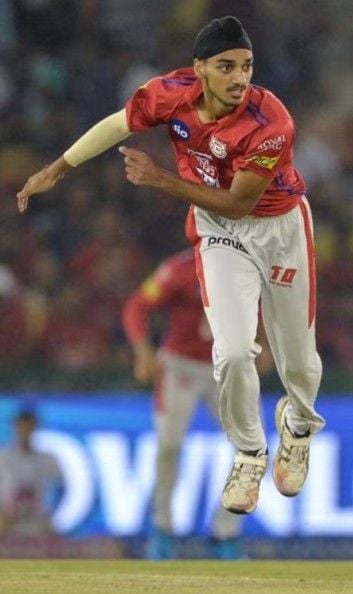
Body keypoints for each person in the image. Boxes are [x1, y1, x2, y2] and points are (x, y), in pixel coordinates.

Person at [16, 16, 325, 516]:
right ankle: (249, 453)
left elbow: (239, 202)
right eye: (226, 67)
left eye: (246, 66)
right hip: (218, 232)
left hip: (278, 227)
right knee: (231, 352)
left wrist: (161, 180)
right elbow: (118, 124)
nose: (239, 77)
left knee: (298, 363)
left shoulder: (272, 123)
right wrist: (57, 169)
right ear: (199, 68)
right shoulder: (169, 93)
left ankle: (299, 424)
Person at [122, 248, 273, 559]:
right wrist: (142, 351)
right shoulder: (179, 269)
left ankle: (225, 533)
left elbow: (272, 308)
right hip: (181, 367)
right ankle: (162, 529)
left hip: (229, 368)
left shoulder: (253, 266)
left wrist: (268, 343)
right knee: (169, 446)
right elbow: (137, 306)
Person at [0, 408, 64, 536]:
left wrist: (50, 513)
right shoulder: (3, 456)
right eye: (22, 425)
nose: (25, 430)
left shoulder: (47, 458)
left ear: (35, 427)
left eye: (29, 425)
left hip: (37, 521)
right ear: (15, 427)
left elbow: (60, 487)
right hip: (6, 521)